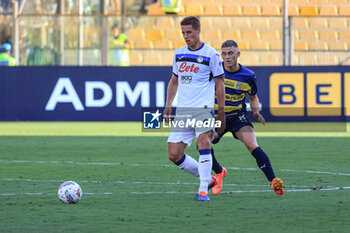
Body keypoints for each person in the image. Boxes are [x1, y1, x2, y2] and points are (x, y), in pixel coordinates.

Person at [163, 16, 226, 202]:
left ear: (198, 31)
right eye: (183, 33)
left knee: (203, 142)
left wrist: (220, 112)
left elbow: (220, 84)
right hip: (183, 111)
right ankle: (210, 179)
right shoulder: (179, 53)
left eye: (189, 32)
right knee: (174, 154)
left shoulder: (211, 54)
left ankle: (202, 191)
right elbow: (174, 81)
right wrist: (168, 104)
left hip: (203, 109)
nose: (186, 36)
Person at [212, 40, 284, 196]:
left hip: (238, 116)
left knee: (252, 145)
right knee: (202, 142)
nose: (227, 57)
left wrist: (256, 112)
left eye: (230, 53)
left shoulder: (248, 76)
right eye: (223, 54)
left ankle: (273, 181)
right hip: (218, 116)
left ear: (238, 54)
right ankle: (219, 172)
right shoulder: (214, 71)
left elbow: (253, 96)